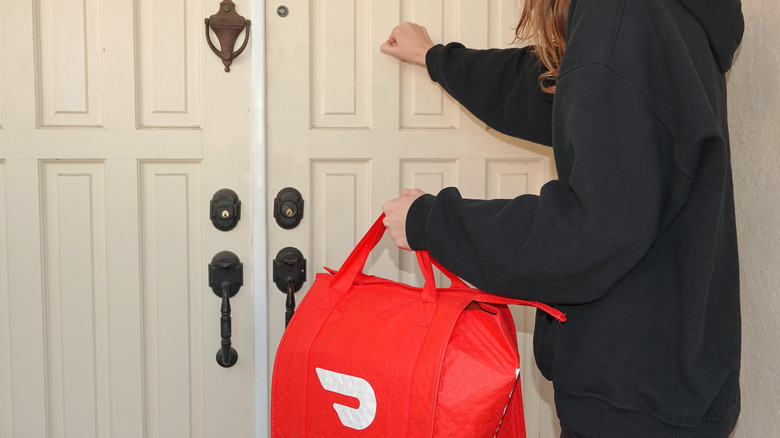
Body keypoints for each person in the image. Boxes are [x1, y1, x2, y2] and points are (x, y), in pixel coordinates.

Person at [380, 0, 744, 437]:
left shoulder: (620, 17)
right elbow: (549, 89)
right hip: (673, 380)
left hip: (630, 399)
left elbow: (591, 230)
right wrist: (436, 57)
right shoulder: (655, 18)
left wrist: (434, 221)